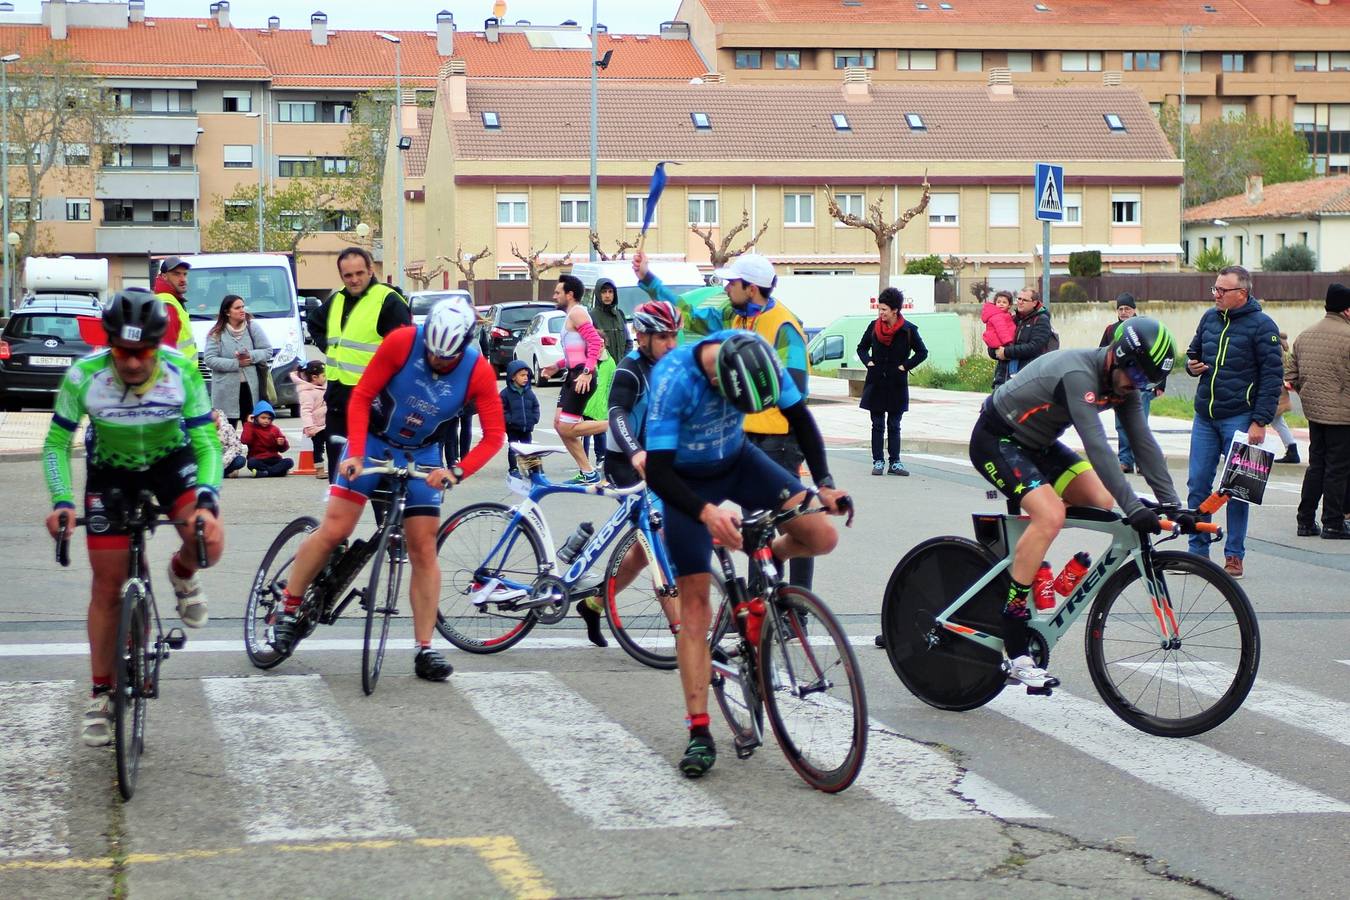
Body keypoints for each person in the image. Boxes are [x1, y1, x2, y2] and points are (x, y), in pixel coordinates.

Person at [643, 329, 850, 777]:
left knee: (822, 536)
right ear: (717, 380)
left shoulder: (756, 356)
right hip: (685, 483)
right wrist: (705, 513)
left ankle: (770, 555)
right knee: (696, 607)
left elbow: (799, 417)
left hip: (739, 461)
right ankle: (699, 731)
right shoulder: (673, 378)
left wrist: (826, 483)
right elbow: (657, 471)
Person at [269, 298, 505, 680]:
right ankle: (290, 606)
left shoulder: (477, 370)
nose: (437, 363)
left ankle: (425, 649)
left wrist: (455, 472)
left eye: (447, 359)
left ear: (464, 346)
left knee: (423, 548)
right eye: (432, 355)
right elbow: (362, 395)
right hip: (374, 442)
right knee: (336, 528)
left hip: (423, 453)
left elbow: (495, 436)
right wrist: (357, 453)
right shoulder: (402, 341)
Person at [42, 288, 224, 747]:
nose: (132, 362)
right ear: (110, 345)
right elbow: (56, 445)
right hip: (112, 473)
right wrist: (62, 500)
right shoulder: (85, 375)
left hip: (169, 463)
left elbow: (206, 444)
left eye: (142, 352)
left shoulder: (181, 371)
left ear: (157, 346)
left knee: (210, 542)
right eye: (122, 352)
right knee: (106, 584)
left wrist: (208, 501)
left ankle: (181, 575)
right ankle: (101, 690)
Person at [969, 317, 1181, 689]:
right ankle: (1015, 629)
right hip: (997, 439)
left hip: (1038, 446)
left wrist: (1173, 504)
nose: (1136, 385)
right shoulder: (1078, 374)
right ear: (1117, 355)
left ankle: (1031, 564)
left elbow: (1143, 444)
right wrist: (1133, 506)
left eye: (1146, 381)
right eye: (1135, 373)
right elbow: (1098, 447)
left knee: (1100, 500)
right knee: (1050, 515)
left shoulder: (1124, 386)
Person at [635, 250, 817, 591]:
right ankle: (758, 607)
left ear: (751, 288)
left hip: (779, 441)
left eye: (732, 282)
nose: (726, 288)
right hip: (748, 440)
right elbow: (686, 313)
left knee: (795, 523)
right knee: (753, 526)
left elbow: (795, 392)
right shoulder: (732, 318)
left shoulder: (785, 328)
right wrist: (648, 280)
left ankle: (799, 610)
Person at [589, 298, 686, 649]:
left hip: (658, 462)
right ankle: (684, 636)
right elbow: (616, 416)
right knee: (657, 541)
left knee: (644, 550)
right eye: (662, 337)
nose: (671, 343)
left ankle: (595, 602)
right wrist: (635, 453)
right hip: (625, 463)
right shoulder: (629, 369)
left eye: (674, 335)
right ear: (641, 336)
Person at [1184, 265, 1282, 578]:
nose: (1215, 295)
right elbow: (1193, 351)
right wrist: (1192, 366)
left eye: (1221, 291)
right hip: (1205, 415)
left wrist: (1260, 421)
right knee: (1198, 483)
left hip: (1241, 417)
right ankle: (1197, 552)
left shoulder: (1262, 326)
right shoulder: (1209, 318)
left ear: (1242, 293)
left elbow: (1272, 377)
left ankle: (1234, 555)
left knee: (1239, 489)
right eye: (1214, 289)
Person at [307, 247, 412, 483]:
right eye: (348, 275)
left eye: (359, 273)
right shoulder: (337, 299)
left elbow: (405, 349)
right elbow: (314, 323)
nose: (354, 280)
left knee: (379, 478)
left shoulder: (389, 300)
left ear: (371, 270)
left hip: (376, 404)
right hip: (339, 402)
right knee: (339, 476)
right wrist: (328, 346)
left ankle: (385, 521)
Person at [1288, 283, 1350, 539]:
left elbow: (1291, 377)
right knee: (1337, 468)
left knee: (1316, 465)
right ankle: (1333, 522)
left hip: (1314, 414)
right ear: (1347, 310)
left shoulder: (1305, 336)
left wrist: (1309, 394)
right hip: (1343, 415)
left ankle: (1305, 520)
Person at [538, 274, 608, 484]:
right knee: (560, 425)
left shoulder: (577, 313)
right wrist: (556, 366)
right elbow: (575, 351)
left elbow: (595, 342)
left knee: (567, 427)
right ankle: (587, 471)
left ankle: (614, 424)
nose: (554, 296)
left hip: (581, 376)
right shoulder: (571, 315)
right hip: (572, 374)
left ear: (570, 295)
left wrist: (587, 372)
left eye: (558, 292)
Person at [857, 287, 927, 476]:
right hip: (876, 381)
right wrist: (869, 362)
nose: (880, 313)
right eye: (879, 309)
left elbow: (922, 352)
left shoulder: (908, 330)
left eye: (884, 310)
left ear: (895, 311)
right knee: (877, 424)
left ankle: (895, 462)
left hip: (897, 382)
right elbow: (861, 348)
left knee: (894, 425)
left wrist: (905, 366)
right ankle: (878, 461)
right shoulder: (873, 326)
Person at [1098, 293, 1162, 474]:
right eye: (1120, 309)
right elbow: (1102, 354)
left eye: (1127, 308)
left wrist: (1160, 384)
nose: (1124, 312)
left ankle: (1143, 462)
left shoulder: (1144, 327)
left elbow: (1157, 355)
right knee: (1121, 424)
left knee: (1139, 425)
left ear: (1134, 310)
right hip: (1119, 385)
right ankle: (1125, 460)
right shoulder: (1111, 330)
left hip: (1141, 384)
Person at [203, 294, 273, 429]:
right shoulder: (216, 333)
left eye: (243, 307)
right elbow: (210, 359)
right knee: (227, 432)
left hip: (250, 389)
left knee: (253, 431)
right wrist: (236, 364)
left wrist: (250, 356)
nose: (242, 310)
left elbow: (267, 351)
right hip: (225, 391)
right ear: (227, 312)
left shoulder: (253, 328)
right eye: (237, 308)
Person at [588, 278, 631, 465]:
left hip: (619, 371)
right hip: (600, 370)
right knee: (598, 413)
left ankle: (620, 452)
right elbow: (589, 343)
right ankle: (600, 456)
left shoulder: (619, 314)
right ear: (598, 293)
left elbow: (628, 342)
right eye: (604, 291)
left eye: (610, 292)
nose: (607, 295)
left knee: (618, 413)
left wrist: (624, 363)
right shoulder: (592, 316)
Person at [992, 288, 1053, 386]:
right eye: (1019, 299)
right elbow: (995, 343)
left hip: (1026, 379)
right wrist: (994, 351)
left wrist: (1006, 352)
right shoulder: (1012, 319)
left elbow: (1035, 347)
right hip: (1002, 378)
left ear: (1034, 303)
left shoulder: (1041, 320)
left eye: (1024, 300)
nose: (1020, 302)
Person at [153, 256, 199, 360]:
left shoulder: (173, 300)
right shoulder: (167, 305)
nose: (183, 279)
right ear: (164, 276)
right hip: (179, 373)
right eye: (176, 274)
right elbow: (166, 352)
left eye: (185, 274)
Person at [290, 360, 329, 479]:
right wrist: (309, 426)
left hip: (327, 423)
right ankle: (319, 469)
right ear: (314, 377)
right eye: (324, 375)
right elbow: (305, 411)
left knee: (332, 446)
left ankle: (333, 467)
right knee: (318, 448)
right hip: (316, 426)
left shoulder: (323, 388)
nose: (326, 378)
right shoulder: (307, 392)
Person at [501, 359, 541, 476]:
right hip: (512, 427)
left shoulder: (529, 392)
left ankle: (531, 469)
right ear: (513, 377)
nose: (525, 378)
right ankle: (513, 468)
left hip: (527, 426)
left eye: (527, 375)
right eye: (522, 375)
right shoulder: (505, 394)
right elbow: (501, 410)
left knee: (528, 448)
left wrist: (534, 418)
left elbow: (535, 406)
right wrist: (509, 420)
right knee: (513, 447)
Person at [242, 400, 294, 478]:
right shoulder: (251, 428)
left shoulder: (274, 429)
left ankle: (265, 473)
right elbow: (245, 440)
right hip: (258, 459)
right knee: (251, 463)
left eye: (269, 418)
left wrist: (282, 443)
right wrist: (248, 424)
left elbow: (283, 449)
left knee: (289, 462)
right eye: (263, 418)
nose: (266, 421)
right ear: (255, 417)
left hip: (274, 458)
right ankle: (276, 472)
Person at [1271, 332, 1300, 465]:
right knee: (1277, 421)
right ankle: (1292, 450)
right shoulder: (1281, 346)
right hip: (1279, 389)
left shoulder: (1275, 346)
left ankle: (1242, 450)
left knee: (1256, 419)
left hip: (1273, 389)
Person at [213, 408, 248, 478]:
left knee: (240, 460)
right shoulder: (202, 432)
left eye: (216, 419)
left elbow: (236, 447)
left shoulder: (227, 428)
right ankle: (224, 474)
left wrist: (223, 462)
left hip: (226, 459)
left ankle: (217, 474)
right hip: (210, 461)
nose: (216, 422)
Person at [981, 290, 1016, 356]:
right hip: (1001, 343)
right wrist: (1008, 343)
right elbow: (1002, 330)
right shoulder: (998, 316)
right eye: (998, 302)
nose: (1001, 304)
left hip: (1000, 342)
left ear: (1009, 305)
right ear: (995, 304)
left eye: (1004, 302)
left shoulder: (1003, 314)